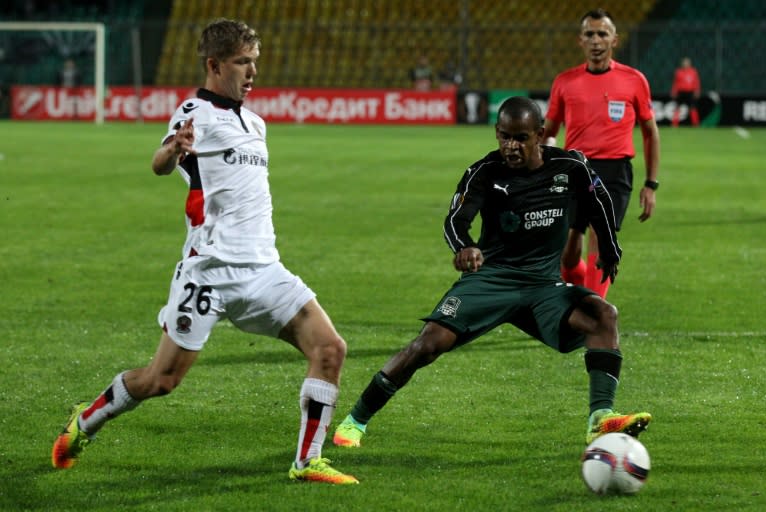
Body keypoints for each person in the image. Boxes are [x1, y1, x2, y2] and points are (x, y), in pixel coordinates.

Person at [51, 18, 358, 485]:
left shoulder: (255, 121)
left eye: (255, 62)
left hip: (263, 268)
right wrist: (175, 146)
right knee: (161, 381)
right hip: (209, 271)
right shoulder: (195, 111)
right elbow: (160, 164)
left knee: (330, 348)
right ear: (215, 65)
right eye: (242, 63)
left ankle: (306, 461)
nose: (252, 73)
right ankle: (87, 419)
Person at [332, 96, 651, 451]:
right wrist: (464, 248)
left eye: (520, 138)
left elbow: (599, 200)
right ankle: (355, 419)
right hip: (492, 279)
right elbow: (455, 220)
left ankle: (599, 419)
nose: (511, 146)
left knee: (603, 316)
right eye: (504, 137)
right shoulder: (484, 172)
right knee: (428, 345)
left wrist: (608, 247)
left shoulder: (570, 166)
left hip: (543, 285)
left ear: (540, 135)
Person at [542, 8, 661, 299]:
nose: (596, 40)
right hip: (575, 168)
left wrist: (650, 184)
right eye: (590, 34)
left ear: (614, 40)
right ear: (580, 40)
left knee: (599, 236)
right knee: (569, 252)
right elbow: (549, 130)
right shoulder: (565, 82)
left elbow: (650, 132)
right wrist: (545, 162)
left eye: (602, 34)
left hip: (614, 170)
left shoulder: (634, 80)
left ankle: (593, 312)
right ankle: (581, 294)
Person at [670, 56, 701, 127]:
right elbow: (675, 83)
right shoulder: (678, 72)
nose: (685, 64)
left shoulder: (693, 72)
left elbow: (696, 82)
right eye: (684, 63)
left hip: (690, 92)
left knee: (693, 108)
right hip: (681, 92)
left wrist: (697, 91)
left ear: (690, 64)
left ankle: (695, 124)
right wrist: (674, 91)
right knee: (677, 108)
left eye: (687, 63)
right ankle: (674, 124)